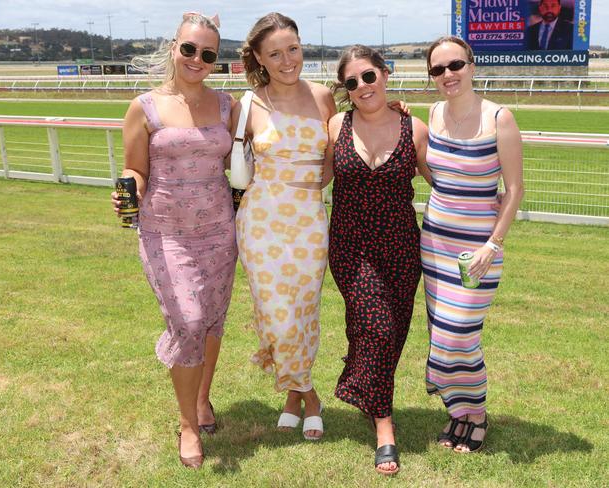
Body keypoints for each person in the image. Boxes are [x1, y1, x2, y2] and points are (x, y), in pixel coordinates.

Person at [112, 13, 237, 469]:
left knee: (211, 320)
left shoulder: (227, 105)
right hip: (166, 233)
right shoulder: (143, 106)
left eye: (207, 54)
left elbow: (244, 157)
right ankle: (187, 425)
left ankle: (203, 400)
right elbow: (135, 169)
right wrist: (128, 190)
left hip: (220, 232)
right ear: (173, 48)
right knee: (187, 319)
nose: (197, 59)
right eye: (189, 49)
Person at [322, 45, 431, 476]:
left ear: (385, 74)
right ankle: (384, 427)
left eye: (368, 76)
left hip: (402, 248)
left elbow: (437, 179)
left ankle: (362, 378)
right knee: (377, 327)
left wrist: (485, 196)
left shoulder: (414, 127)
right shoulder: (335, 125)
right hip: (350, 246)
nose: (362, 87)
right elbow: (317, 175)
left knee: (385, 334)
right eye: (351, 82)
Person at [234, 12, 336, 440]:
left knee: (304, 309)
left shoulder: (324, 96)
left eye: (292, 48)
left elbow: (334, 159)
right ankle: (309, 394)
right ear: (258, 58)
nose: (287, 59)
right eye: (274, 53)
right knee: (276, 314)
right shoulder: (248, 103)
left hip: (309, 219)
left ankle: (292, 395)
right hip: (261, 220)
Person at [422, 36, 524, 453]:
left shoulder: (499, 118)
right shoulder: (432, 113)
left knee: (457, 337)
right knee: (438, 335)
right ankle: (457, 413)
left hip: (478, 251)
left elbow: (515, 189)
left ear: (472, 66)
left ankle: (477, 414)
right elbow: (437, 174)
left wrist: (492, 244)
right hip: (434, 245)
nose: (448, 75)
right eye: (438, 69)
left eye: (455, 65)